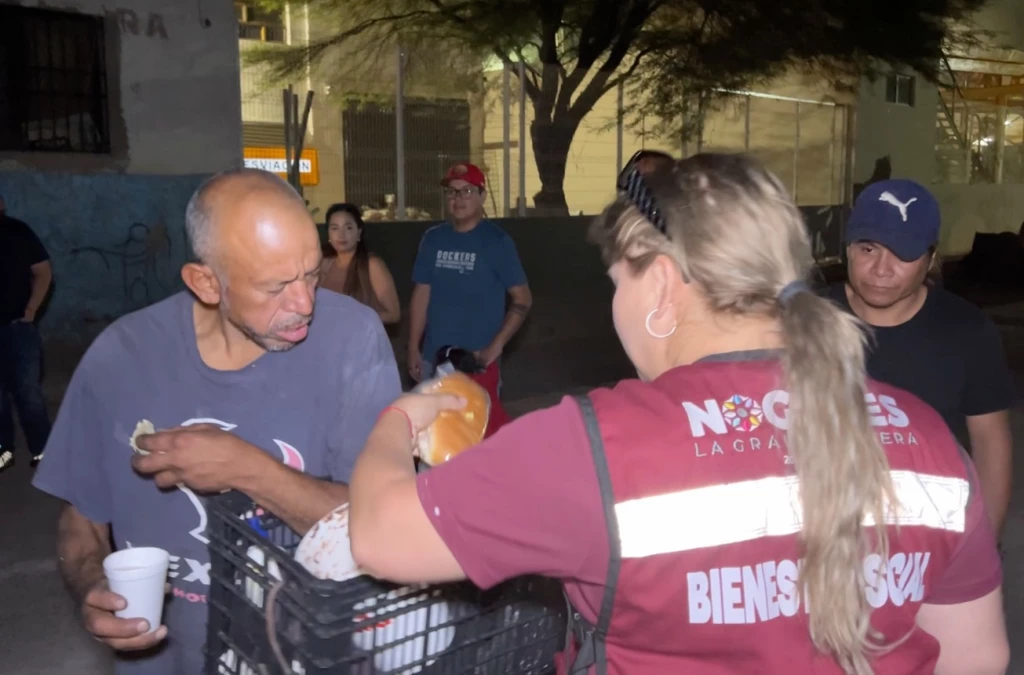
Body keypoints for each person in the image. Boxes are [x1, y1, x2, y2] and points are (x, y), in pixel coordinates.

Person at [348, 154, 1008, 675]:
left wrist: (403, 418)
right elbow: (977, 657)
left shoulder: (593, 446)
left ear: (663, 284)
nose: (616, 306)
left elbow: (378, 533)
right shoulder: (926, 434)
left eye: (619, 283)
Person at [32, 169, 401, 675]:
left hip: (300, 655)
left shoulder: (351, 339)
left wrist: (246, 468)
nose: (305, 304)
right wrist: (91, 586)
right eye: (275, 287)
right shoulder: (121, 357)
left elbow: (383, 523)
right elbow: (83, 517)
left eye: (311, 273)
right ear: (206, 282)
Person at [827, 179, 1015, 540]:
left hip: (931, 536)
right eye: (868, 249)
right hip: (825, 535)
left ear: (930, 259)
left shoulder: (966, 331)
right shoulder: (804, 323)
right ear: (848, 249)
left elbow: (991, 441)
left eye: (903, 254)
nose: (882, 269)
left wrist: (983, 546)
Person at [407, 163, 532, 384]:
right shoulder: (432, 239)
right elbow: (421, 294)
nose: (458, 198)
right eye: (452, 192)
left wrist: (496, 346)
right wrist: (413, 347)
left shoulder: (497, 242)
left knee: (478, 418)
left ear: (482, 196)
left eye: (467, 191)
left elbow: (523, 298)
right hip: (433, 357)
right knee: (432, 419)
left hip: (476, 359)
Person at [0, 193, 53, 472]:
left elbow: (43, 271)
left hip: (18, 328)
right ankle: (3, 450)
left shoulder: (18, 232)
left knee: (28, 393)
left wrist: (31, 310)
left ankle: (43, 451)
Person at [319, 202, 400, 325]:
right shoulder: (323, 263)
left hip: (359, 340)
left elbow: (393, 314)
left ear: (359, 232)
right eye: (335, 228)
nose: (341, 235)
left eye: (349, 228)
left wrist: (353, 319)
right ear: (328, 233)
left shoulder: (372, 264)